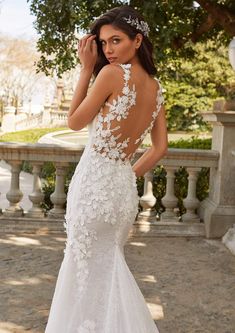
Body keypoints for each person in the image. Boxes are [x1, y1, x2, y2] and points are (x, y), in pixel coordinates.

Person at [45, 5, 167, 333]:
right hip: (121, 192)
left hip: (93, 187)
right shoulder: (156, 90)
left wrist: (85, 70)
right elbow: (159, 149)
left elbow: (73, 122)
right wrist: (128, 174)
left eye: (116, 41)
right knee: (109, 266)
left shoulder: (111, 75)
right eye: (103, 44)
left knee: (82, 270)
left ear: (137, 40)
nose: (108, 50)